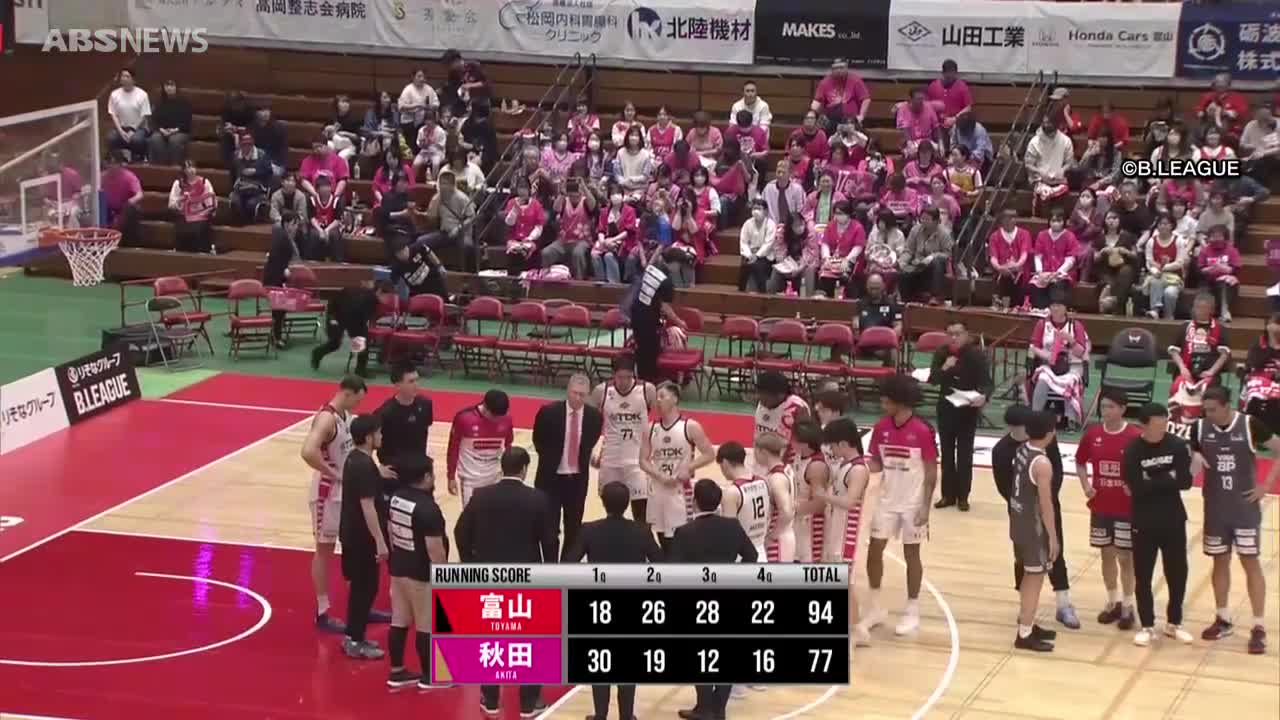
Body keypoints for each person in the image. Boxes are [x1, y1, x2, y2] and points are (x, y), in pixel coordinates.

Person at [455, 447, 554, 716]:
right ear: (524, 469)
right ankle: (529, 703)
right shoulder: (537, 499)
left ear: (503, 467)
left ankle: (490, 700)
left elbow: (461, 532)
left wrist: (470, 564)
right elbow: (549, 541)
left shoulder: (481, 496)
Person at [1191, 387, 1280, 655]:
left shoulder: (1250, 424)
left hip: (1244, 510)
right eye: (1205, 410)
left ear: (1227, 406)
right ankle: (1223, 618)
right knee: (1219, 561)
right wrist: (1193, 456)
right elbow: (1191, 457)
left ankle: (1259, 626)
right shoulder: (1199, 428)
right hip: (1215, 509)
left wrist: (1265, 485)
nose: (1208, 414)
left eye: (1213, 409)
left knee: (1250, 562)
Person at [564, 483, 660, 720]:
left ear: (603, 502)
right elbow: (660, 564)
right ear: (628, 503)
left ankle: (600, 715)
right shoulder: (642, 530)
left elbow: (569, 564)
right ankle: (626, 716)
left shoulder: (589, 529)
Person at [672, 479, 758, 720]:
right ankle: (718, 708)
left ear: (694, 502)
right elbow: (751, 556)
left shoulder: (685, 532)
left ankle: (704, 707)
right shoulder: (732, 526)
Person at [861, 375, 937, 637]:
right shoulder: (880, 427)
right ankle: (875, 607)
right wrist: (856, 467)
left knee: (911, 554)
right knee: (874, 551)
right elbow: (876, 463)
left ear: (901, 401)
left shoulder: (923, 431)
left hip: (913, 503)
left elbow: (931, 471)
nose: (882, 404)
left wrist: (926, 506)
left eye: (886, 400)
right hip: (887, 501)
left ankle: (912, 610)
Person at [299, 375, 368, 635]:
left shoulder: (345, 416)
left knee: (355, 547)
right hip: (327, 493)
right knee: (324, 549)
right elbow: (308, 451)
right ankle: (322, 611)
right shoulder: (326, 418)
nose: (358, 404)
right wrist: (334, 473)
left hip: (344, 493)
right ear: (348, 393)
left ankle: (360, 605)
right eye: (358, 399)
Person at [1122, 403, 1195, 647]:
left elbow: (1185, 481)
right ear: (1144, 425)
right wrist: (1167, 477)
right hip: (1143, 520)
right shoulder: (1133, 450)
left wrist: (1151, 478)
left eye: (1165, 421)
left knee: (1177, 573)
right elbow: (1136, 488)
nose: (1164, 426)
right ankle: (1147, 625)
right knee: (1143, 575)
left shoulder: (1177, 446)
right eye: (1158, 423)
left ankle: (1174, 623)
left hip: (1173, 519)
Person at [1076, 390, 1142, 630]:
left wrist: (1136, 487)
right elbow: (1080, 462)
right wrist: (1085, 485)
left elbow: (1146, 467)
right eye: (1103, 406)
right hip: (1101, 507)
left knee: (1126, 557)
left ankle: (1128, 605)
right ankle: (1112, 601)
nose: (1106, 411)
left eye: (1111, 407)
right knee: (1107, 555)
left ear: (1123, 409)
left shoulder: (1135, 436)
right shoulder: (1093, 434)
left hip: (1127, 509)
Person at [385, 456, 448, 689]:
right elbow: (435, 550)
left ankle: (397, 671)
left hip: (399, 567)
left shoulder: (396, 498)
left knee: (399, 620)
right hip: (421, 574)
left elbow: (390, 532)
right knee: (426, 624)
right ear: (426, 477)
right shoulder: (428, 509)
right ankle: (430, 677)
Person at [338, 414, 394, 660]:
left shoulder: (354, 459)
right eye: (379, 433)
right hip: (362, 539)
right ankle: (354, 640)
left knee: (361, 588)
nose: (381, 436)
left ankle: (355, 635)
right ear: (369, 437)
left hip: (351, 534)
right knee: (365, 587)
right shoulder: (364, 466)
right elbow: (368, 506)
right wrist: (380, 541)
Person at [532, 374, 605, 561]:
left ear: (588, 395)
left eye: (582, 394)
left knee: (573, 527)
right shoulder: (548, 412)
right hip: (550, 479)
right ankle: (550, 565)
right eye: (575, 393)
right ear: (567, 391)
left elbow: (590, 442)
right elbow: (538, 440)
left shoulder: (594, 417)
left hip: (577, 481)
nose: (578, 398)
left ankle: (566, 565)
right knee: (549, 527)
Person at [639, 382, 716, 552]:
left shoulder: (690, 426)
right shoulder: (650, 428)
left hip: (680, 491)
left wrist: (689, 467)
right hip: (658, 489)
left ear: (674, 398)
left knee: (681, 538)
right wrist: (659, 475)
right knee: (661, 537)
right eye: (656, 398)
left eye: (662, 396)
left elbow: (709, 454)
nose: (658, 401)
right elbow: (643, 460)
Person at [1009, 411, 1061, 652]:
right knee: (1035, 578)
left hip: (1017, 521)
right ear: (1050, 433)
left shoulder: (1022, 449)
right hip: (1033, 527)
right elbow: (1046, 504)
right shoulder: (1042, 463)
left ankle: (1027, 622)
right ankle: (1024, 633)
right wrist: (1053, 536)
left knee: (1028, 576)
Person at [816, 418, 870, 643]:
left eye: (833, 445)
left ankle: (858, 629)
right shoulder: (843, 465)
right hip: (836, 527)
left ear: (844, 443)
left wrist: (824, 496)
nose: (831, 450)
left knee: (845, 582)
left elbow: (850, 502)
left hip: (847, 531)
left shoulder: (859, 469)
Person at [930, 321, 991, 511]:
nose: (954, 337)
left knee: (965, 454)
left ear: (967, 334)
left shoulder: (976, 355)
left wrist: (984, 396)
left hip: (967, 408)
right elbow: (933, 379)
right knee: (947, 453)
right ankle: (947, 495)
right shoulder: (942, 353)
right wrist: (945, 367)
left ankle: (963, 496)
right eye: (950, 334)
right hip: (946, 407)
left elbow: (987, 382)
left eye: (958, 333)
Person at [589, 356, 657, 523]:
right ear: (613, 375)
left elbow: (660, 424)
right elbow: (587, 424)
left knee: (641, 515)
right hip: (611, 458)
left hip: (637, 460)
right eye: (620, 377)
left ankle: (642, 540)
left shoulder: (647, 390)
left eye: (628, 377)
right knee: (612, 512)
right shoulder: (601, 391)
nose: (624, 381)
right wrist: (591, 454)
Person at [308, 280, 398, 377]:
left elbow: (361, 319)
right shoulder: (367, 300)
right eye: (388, 297)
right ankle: (317, 353)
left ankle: (360, 369)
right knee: (336, 343)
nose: (389, 300)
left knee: (362, 340)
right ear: (379, 291)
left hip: (349, 315)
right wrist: (356, 335)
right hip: (335, 315)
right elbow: (355, 318)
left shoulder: (371, 298)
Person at [446, 389, 515, 508]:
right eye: (494, 416)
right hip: (470, 479)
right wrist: (451, 476)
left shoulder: (506, 419)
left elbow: (508, 446)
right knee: (472, 515)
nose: (497, 419)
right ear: (485, 407)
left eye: (500, 416)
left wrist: (508, 475)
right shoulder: (464, 418)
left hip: (496, 476)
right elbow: (453, 447)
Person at [1168, 293, 1231, 420]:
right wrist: (1182, 368)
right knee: (1177, 386)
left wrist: (1211, 371)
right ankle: (1177, 419)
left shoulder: (1219, 328)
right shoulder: (1185, 327)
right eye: (1197, 307)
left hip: (1208, 374)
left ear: (1211, 310)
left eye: (1204, 308)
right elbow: (1174, 351)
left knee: (1207, 390)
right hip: (1186, 371)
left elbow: (1224, 355)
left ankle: (1203, 419)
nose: (1200, 310)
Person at [627, 252, 687, 383]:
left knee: (641, 350)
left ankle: (641, 380)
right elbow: (665, 307)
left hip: (635, 315)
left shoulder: (651, 268)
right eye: (680, 265)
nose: (679, 269)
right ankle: (649, 382)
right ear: (675, 263)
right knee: (650, 352)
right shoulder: (666, 282)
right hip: (648, 320)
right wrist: (679, 322)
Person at [716, 440, 771, 560]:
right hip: (760, 550)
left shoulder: (732, 492)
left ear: (724, 463)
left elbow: (729, 533)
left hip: (742, 556)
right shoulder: (763, 482)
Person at [375, 364, 433, 479]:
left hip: (419, 470)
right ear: (398, 385)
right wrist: (376, 469)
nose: (416, 385)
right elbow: (366, 444)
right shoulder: (384, 413)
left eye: (417, 380)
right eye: (411, 381)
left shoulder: (425, 405)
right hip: (395, 473)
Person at [748, 432, 797, 563]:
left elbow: (786, 512)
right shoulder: (787, 469)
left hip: (779, 539)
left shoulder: (776, 478)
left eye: (755, 450)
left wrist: (771, 536)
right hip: (785, 534)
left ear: (763, 451)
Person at [752, 370, 810, 470]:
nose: (758, 397)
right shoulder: (762, 403)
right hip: (763, 459)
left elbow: (805, 441)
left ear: (779, 394)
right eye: (758, 392)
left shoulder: (797, 408)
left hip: (788, 464)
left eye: (762, 394)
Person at [263, 210, 304, 348]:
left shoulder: (283, 236)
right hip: (274, 279)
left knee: (280, 309)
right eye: (294, 224)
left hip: (277, 278)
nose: (296, 227)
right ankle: (276, 338)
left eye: (297, 224)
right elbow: (275, 258)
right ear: (286, 224)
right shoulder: (282, 237)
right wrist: (283, 270)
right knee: (279, 309)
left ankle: (276, 336)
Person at [167, 160, 216, 254]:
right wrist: (180, 201)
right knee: (182, 225)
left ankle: (203, 251)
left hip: (201, 214)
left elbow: (210, 202)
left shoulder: (204, 182)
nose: (191, 170)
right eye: (188, 167)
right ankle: (181, 252)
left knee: (200, 226)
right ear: (184, 170)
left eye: (193, 167)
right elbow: (171, 204)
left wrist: (201, 212)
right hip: (184, 214)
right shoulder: (178, 184)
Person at [107, 68, 151, 160]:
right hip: (121, 128)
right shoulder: (114, 94)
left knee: (136, 140)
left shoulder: (142, 94)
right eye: (122, 76)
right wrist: (120, 131)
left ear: (133, 80)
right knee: (111, 138)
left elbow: (144, 115)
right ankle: (119, 158)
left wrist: (133, 130)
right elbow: (113, 114)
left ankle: (138, 158)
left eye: (127, 76)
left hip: (138, 128)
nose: (124, 78)